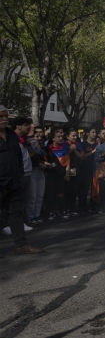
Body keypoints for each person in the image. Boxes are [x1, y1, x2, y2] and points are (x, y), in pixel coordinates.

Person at [0, 107, 43, 254]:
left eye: (6, 116)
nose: (4, 119)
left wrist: (18, 174)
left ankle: (21, 245)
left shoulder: (11, 135)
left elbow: (18, 156)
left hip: (14, 181)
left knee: (17, 213)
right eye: (1, 116)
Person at [27, 128, 49, 224]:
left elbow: (42, 157)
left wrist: (45, 163)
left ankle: (37, 214)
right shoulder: (29, 146)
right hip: (32, 171)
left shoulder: (41, 147)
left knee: (39, 196)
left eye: (40, 136)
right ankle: (30, 216)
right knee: (32, 196)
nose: (38, 138)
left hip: (41, 172)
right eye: (36, 136)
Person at [79, 127, 97, 214]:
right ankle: (82, 206)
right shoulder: (83, 144)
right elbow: (83, 156)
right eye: (92, 132)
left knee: (94, 187)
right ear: (87, 133)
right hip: (85, 168)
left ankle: (93, 205)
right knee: (85, 188)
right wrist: (93, 152)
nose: (94, 134)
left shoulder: (97, 143)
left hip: (95, 168)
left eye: (95, 132)